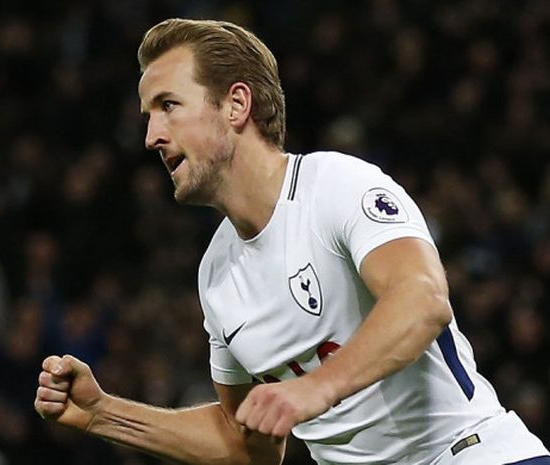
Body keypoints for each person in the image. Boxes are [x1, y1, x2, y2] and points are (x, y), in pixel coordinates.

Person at [34, 18, 550, 465]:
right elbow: (247, 445)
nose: (151, 136)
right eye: (149, 116)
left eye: (168, 106)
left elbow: (422, 299)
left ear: (236, 104)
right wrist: (104, 414)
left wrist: (312, 389)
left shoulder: (336, 186)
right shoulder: (216, 276)